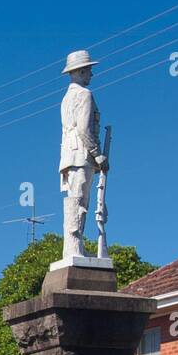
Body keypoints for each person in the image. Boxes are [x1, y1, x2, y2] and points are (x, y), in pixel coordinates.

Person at [58, 49, 109, 263]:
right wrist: (98, 155)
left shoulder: (66, 98)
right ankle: (73, 247)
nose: (91, 74)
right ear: (79, 71)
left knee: (74, 200)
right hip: (81, 155)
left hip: (68, 156)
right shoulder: (84, 95)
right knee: (80, 202)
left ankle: (73, 247)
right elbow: (84, 129)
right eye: (88, 70)